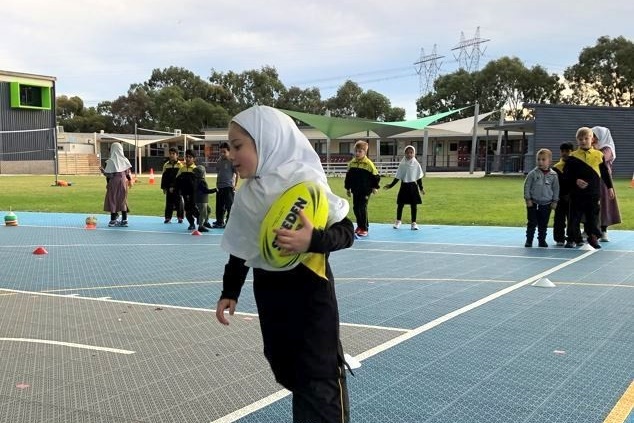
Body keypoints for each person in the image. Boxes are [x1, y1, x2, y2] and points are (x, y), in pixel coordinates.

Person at [215, 105, 353, 423]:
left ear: (267, 141)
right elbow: (240, 249)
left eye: (238, 146)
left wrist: (312, 241)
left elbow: (346, 232)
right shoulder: (248, 195)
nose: (231, 155)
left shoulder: (305, 184)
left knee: (319, 379)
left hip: (310, 294)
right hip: (272, 297)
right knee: (290, 371)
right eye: (230, 147)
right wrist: (230, 291)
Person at [564, 127, 615, 249]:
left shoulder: (599, 155)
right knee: (574, 216)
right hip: (577, 194)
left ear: (592, 139)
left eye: (586, 138)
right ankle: (572, 238)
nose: (583, 141)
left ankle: (593, 237)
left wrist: (610, 188)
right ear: (577, 140)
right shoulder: (572, 157)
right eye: (580, 139)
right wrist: (576, 180)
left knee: (593, 216)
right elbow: (566, 175)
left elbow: (605, 173)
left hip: (593, 193)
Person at [383, 145, 425, 230]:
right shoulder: (402, 164)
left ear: (414, 153)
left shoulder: (416, 164)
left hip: (413, 186)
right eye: (407, 152)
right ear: (405, 153)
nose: (409, 154)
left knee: (414, 205)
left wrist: (421, 188)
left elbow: (418, 178)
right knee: (400, 204)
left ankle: (414, 223)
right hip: (404, 186)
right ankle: (398, 221)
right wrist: (391, 185)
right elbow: (398, 176)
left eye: (411, 152)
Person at [523, 148, 559, 248]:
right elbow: (527, 186)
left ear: (549, 161)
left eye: (543, 160)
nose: (540, 162)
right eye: (538, 159)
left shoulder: (553, 175)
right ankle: (529, 240)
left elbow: (556, 189)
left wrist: (555, 201)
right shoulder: (532, 174)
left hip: (547, 204)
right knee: (532, 223)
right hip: (533, 203)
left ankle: (542, 240)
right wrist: (528, 199)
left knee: (543, 224)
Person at [344, 140, 380, 237]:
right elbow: (348, 177)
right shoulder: (352, 163)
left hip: (365, 190)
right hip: (356, 190)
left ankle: (364, 228)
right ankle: (359, 226)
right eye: (356, 151)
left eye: (360, 151)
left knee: (362, 208)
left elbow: (376, 176)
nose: (357, 153)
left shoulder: (368, 164)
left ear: (365, 152)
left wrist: (374, 187)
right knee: (356, 208)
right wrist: (348, 188)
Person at [591, 126, 621, 241]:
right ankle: (589, 228)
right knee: (589, 205)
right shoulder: (592, 148)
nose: (593, 138)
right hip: (591, 180)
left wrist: (592, 150)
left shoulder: (607, 148)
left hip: (603, 182)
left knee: (604, 205)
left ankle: (603, 230)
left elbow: (601, 158)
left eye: (595, 136)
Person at [103, 142, 133, 227]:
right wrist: (130, 181)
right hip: (123, 182)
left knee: (113, 199)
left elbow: (109, 175)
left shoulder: (110, 161)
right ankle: (124, 219)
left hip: (113, 182)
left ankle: (113, 220)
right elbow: (127, 173)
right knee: (122, 200)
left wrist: (107, 182)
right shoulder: (125, 160)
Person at [212, 142, 238, 228]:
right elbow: (219, 173)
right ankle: (219, 221)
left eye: (224, 152)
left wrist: (235, 185)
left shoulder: (232, 161)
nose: (222, 154)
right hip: (220, 187)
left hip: (228, 187)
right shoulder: (219, 161)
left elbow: (236, 173)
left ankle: (229, 222)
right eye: (221, 152)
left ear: (229, 152)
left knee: (229, 206)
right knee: (219, 206)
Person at [552, 142, 574, 246]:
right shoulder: (556, 168)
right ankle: (559, 238)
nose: (565, 153)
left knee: (572, 219)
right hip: (560, 198)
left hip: (573, 197)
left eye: (567, 151)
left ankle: (572, 237)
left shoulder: (576, 166)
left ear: (572, 152)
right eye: (562, 151)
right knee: (559, 219)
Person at [175, 150, 198, 230]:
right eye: (186, 157)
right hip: (185, 192)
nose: (188, 159)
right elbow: (177, 179)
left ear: (194, 159)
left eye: (190, 157)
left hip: (194, 193)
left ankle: (201, 219)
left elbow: (201, 182)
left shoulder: (196, 169)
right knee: (187, 209)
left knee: (194, 208)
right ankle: (191, 224)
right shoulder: (182, 169)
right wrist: (177, 189)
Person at [161, 147, 184, 224]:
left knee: (179, 203)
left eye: (173, 154)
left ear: (177, 155)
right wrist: (164, 187)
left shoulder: (180, 165)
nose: (171, 155)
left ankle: (180, 217)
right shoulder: (166, 165)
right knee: (169, 203)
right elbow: (164, 177)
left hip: (177, 188)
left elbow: (181, 178)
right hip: (168, 187)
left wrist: (176, 187)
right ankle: (168, 218)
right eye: (170, 154)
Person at [192, 165, 217, 232]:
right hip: (202, 200)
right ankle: (201, 226)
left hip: (199, 199)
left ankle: (205, 222)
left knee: (208, 210)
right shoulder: (202, 181)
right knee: (202, 213)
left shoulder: (196, 180)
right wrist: (215, 190)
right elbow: (206, 191)